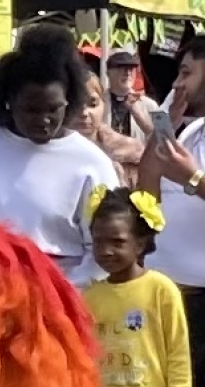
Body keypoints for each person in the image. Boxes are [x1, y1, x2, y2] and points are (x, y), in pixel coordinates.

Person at [0, 25, 120, 287]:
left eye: (54, 109)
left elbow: (106, 249)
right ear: (8, 101)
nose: (44, 120)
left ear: (70, 99)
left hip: (57, 301)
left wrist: (63, 292)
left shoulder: (91, 162)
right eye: (31, 110)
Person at [140, 35, 205, 387]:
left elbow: (189, 178)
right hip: (168, 296)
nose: (177, 83)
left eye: (185, 73)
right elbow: (147, 197)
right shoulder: (192, 130)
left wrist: (193, 178)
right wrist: (163, 130)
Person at [83, 185, 191, 387]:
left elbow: (178, 355)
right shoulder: (89, 297)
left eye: (117, 242)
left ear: (139, 244)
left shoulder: (161, 290)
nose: (106, 251)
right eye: (98, 242)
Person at [71, 71, 145, 186]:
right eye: (75, 105)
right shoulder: (48, 155)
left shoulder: (133, 155)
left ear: (103, 105)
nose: (84, 113)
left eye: (92, 104)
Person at [105, 51, 159, 141]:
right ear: (108, 73)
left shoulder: (150, 106)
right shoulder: (98, 103)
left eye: (131, 68)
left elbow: (164, 140)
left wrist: (140, 117)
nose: (127, 73)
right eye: (121, 68)